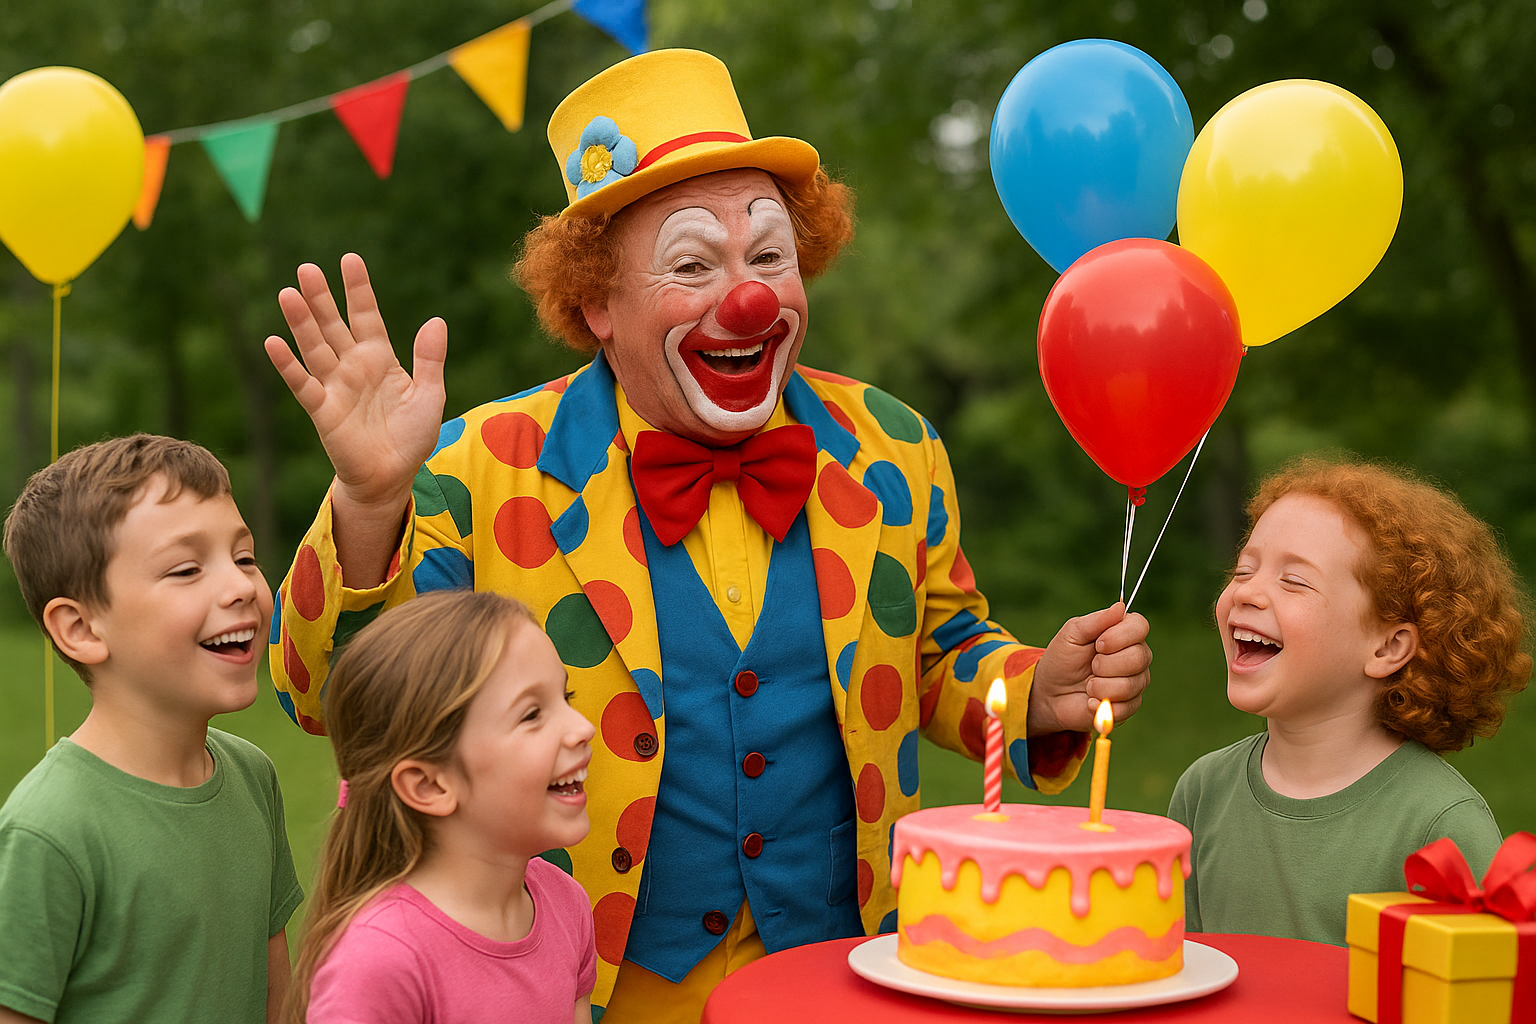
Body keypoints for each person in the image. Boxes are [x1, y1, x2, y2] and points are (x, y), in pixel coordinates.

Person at [264, 49, 1153, 1020]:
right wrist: (366, 503)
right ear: (598, 304)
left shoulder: (893, 449)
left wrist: (1034, 691)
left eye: (769, 256)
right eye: (694, 264)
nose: (751, 298)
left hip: (846, 974)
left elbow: (934, 651)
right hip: (597, 983)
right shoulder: (477, 469)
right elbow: (331, 703)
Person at [0, 434, 301, 1024]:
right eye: (187, 569)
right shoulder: (49, 830)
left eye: (244, 557)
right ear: (81, 629)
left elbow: (278, 999)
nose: (242, 585)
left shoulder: (251, 777)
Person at [1169, 457, 1530, 946]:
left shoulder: (1440, 827)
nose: (1247, 592)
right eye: (1243, 569)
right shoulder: (1202, 793)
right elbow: (1177, 968)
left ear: (1387, 648)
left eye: (1294, 580)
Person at [290, 590, 597, 1024]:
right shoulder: (380, 962)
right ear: (430, 784)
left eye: (567, 698)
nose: (582, 727)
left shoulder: (565, 903)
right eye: (531, 714)